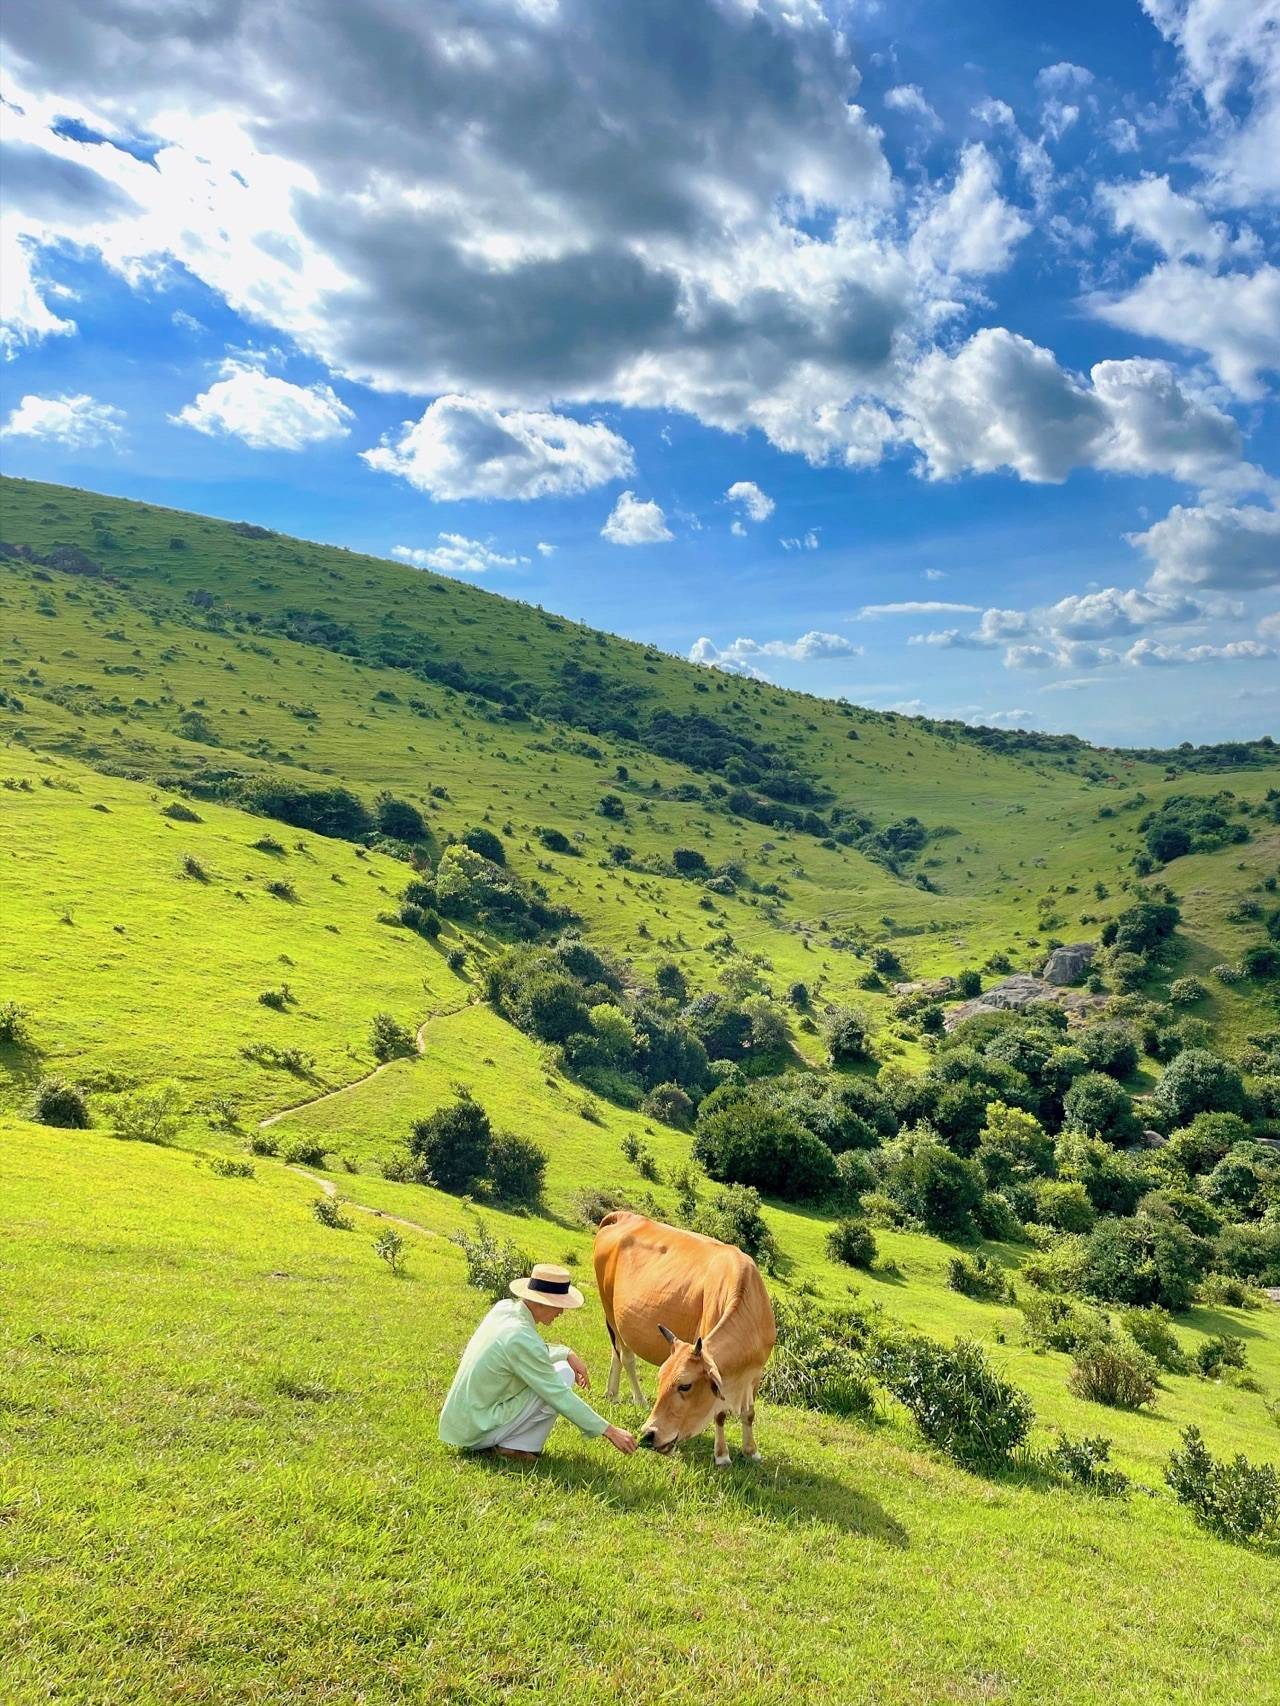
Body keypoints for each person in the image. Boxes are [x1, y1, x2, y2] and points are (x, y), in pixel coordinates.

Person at [439, 1262, 638, 1463]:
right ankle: (514, 1447)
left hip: (466, 1420)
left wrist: (566, 1352)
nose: (562, 1312)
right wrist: (611, 1431)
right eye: (560, 1305)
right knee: (562, 1378)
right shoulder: (520, 1338)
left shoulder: (505, 1309)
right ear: (542, 1302)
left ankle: (515, 1445)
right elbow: (558, 1395)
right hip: (477, 1430)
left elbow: (529, 1352)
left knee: (563, 1370)